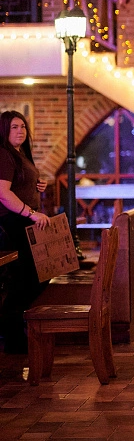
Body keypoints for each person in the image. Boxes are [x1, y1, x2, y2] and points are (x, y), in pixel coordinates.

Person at [0, 111, 50, 353]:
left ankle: (15, 331)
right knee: (26, 278)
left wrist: (37, 184)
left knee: (39, 274)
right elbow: (2, 193)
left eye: (23, 126)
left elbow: (18, 184)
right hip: (13, 222)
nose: (20, 131)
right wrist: (31, 213)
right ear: (4, 130)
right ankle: (12, 334)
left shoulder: (19, 154)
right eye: (14, 127)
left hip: (23, 221)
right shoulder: (4, 154)